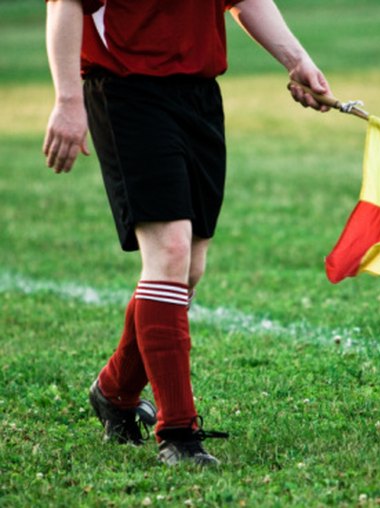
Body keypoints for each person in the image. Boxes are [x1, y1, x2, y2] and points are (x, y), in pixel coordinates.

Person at [43, 0, 331, 467]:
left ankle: (114, 391)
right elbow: (65, 4)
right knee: (170, 254)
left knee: (189, 270)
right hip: (127, 89)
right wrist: (67, 101)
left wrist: (297, 60)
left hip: (198, 93)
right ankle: (177, 433)